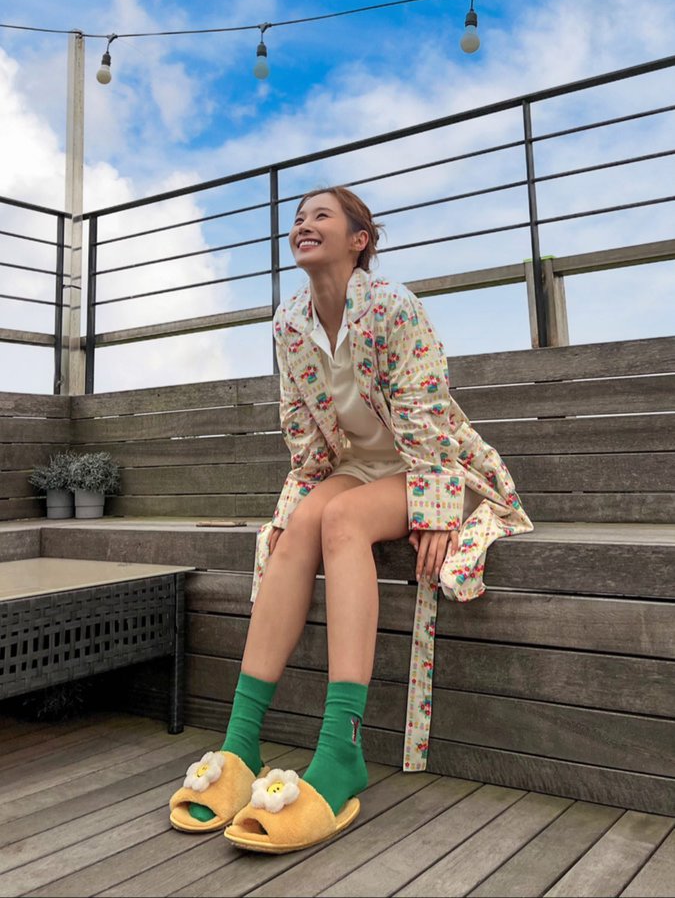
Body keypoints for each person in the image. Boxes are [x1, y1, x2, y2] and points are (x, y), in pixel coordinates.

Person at [169, 185, 534, 852]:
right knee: (299, 529)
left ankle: (341, 750)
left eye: (321, 216)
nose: (303, 225)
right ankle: (241, 741)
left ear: (358, 240)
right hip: (357, 466)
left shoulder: (393, 306)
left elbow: (425, 410)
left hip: (429, 465)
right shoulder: (288, 322)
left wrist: (433, 508)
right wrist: (295, 503)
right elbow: (302, 427)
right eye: (297, 218)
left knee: (340, 523)